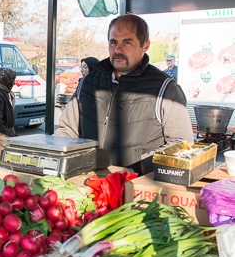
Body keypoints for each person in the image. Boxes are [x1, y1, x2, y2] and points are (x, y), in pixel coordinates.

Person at [54, 14, 194, 175]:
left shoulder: (165, 89)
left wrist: (139, 168)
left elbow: (181, 142)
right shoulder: (88, 83)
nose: (117, 49)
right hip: (86, 180)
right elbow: (67, 131)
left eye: (127, 42)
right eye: (113, 42)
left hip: (136, 186)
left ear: (145, 45)